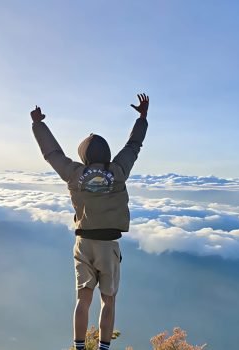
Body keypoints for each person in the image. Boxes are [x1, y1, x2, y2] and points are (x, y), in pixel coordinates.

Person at [31, 93, 149, 350]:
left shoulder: (74, 174)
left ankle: (80, 347)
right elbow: (133, 146)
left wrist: (38, 125)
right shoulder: (117, 171)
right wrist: (142, 117)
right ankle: (104, 348)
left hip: (84, 243)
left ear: (83, 156)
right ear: (106, 154)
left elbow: (52, 153)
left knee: (82, 300)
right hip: (109, 246)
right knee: (108, 301)